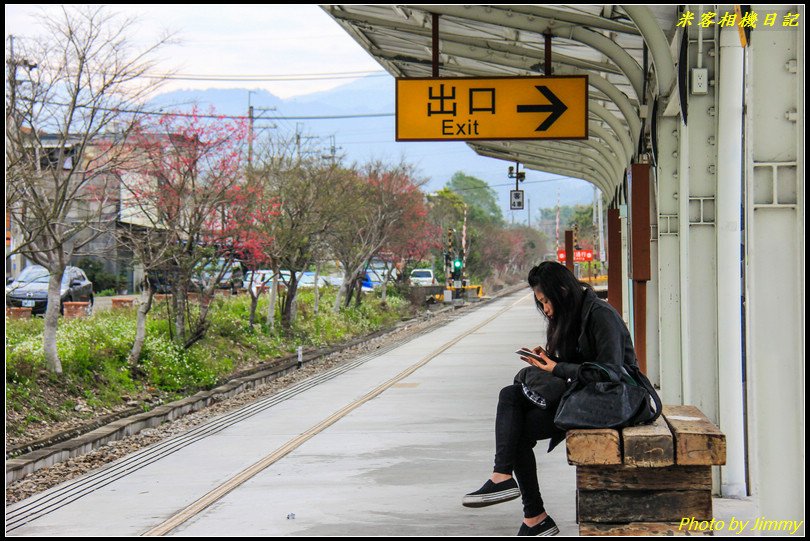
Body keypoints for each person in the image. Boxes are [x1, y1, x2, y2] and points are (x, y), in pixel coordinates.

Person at [462, 261, 639, 536]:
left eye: (545, 301)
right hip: (587, 399)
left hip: (616, 403)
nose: (545, 309)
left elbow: (611, 374)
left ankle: (516, 494)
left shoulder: (601, 315)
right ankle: (529, 509)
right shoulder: (573, 317)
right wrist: (550, 360)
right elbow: (580, 365)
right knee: (512, 410)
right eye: (540, 302)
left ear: (562, 291)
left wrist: (557, 368)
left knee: (513, 412)